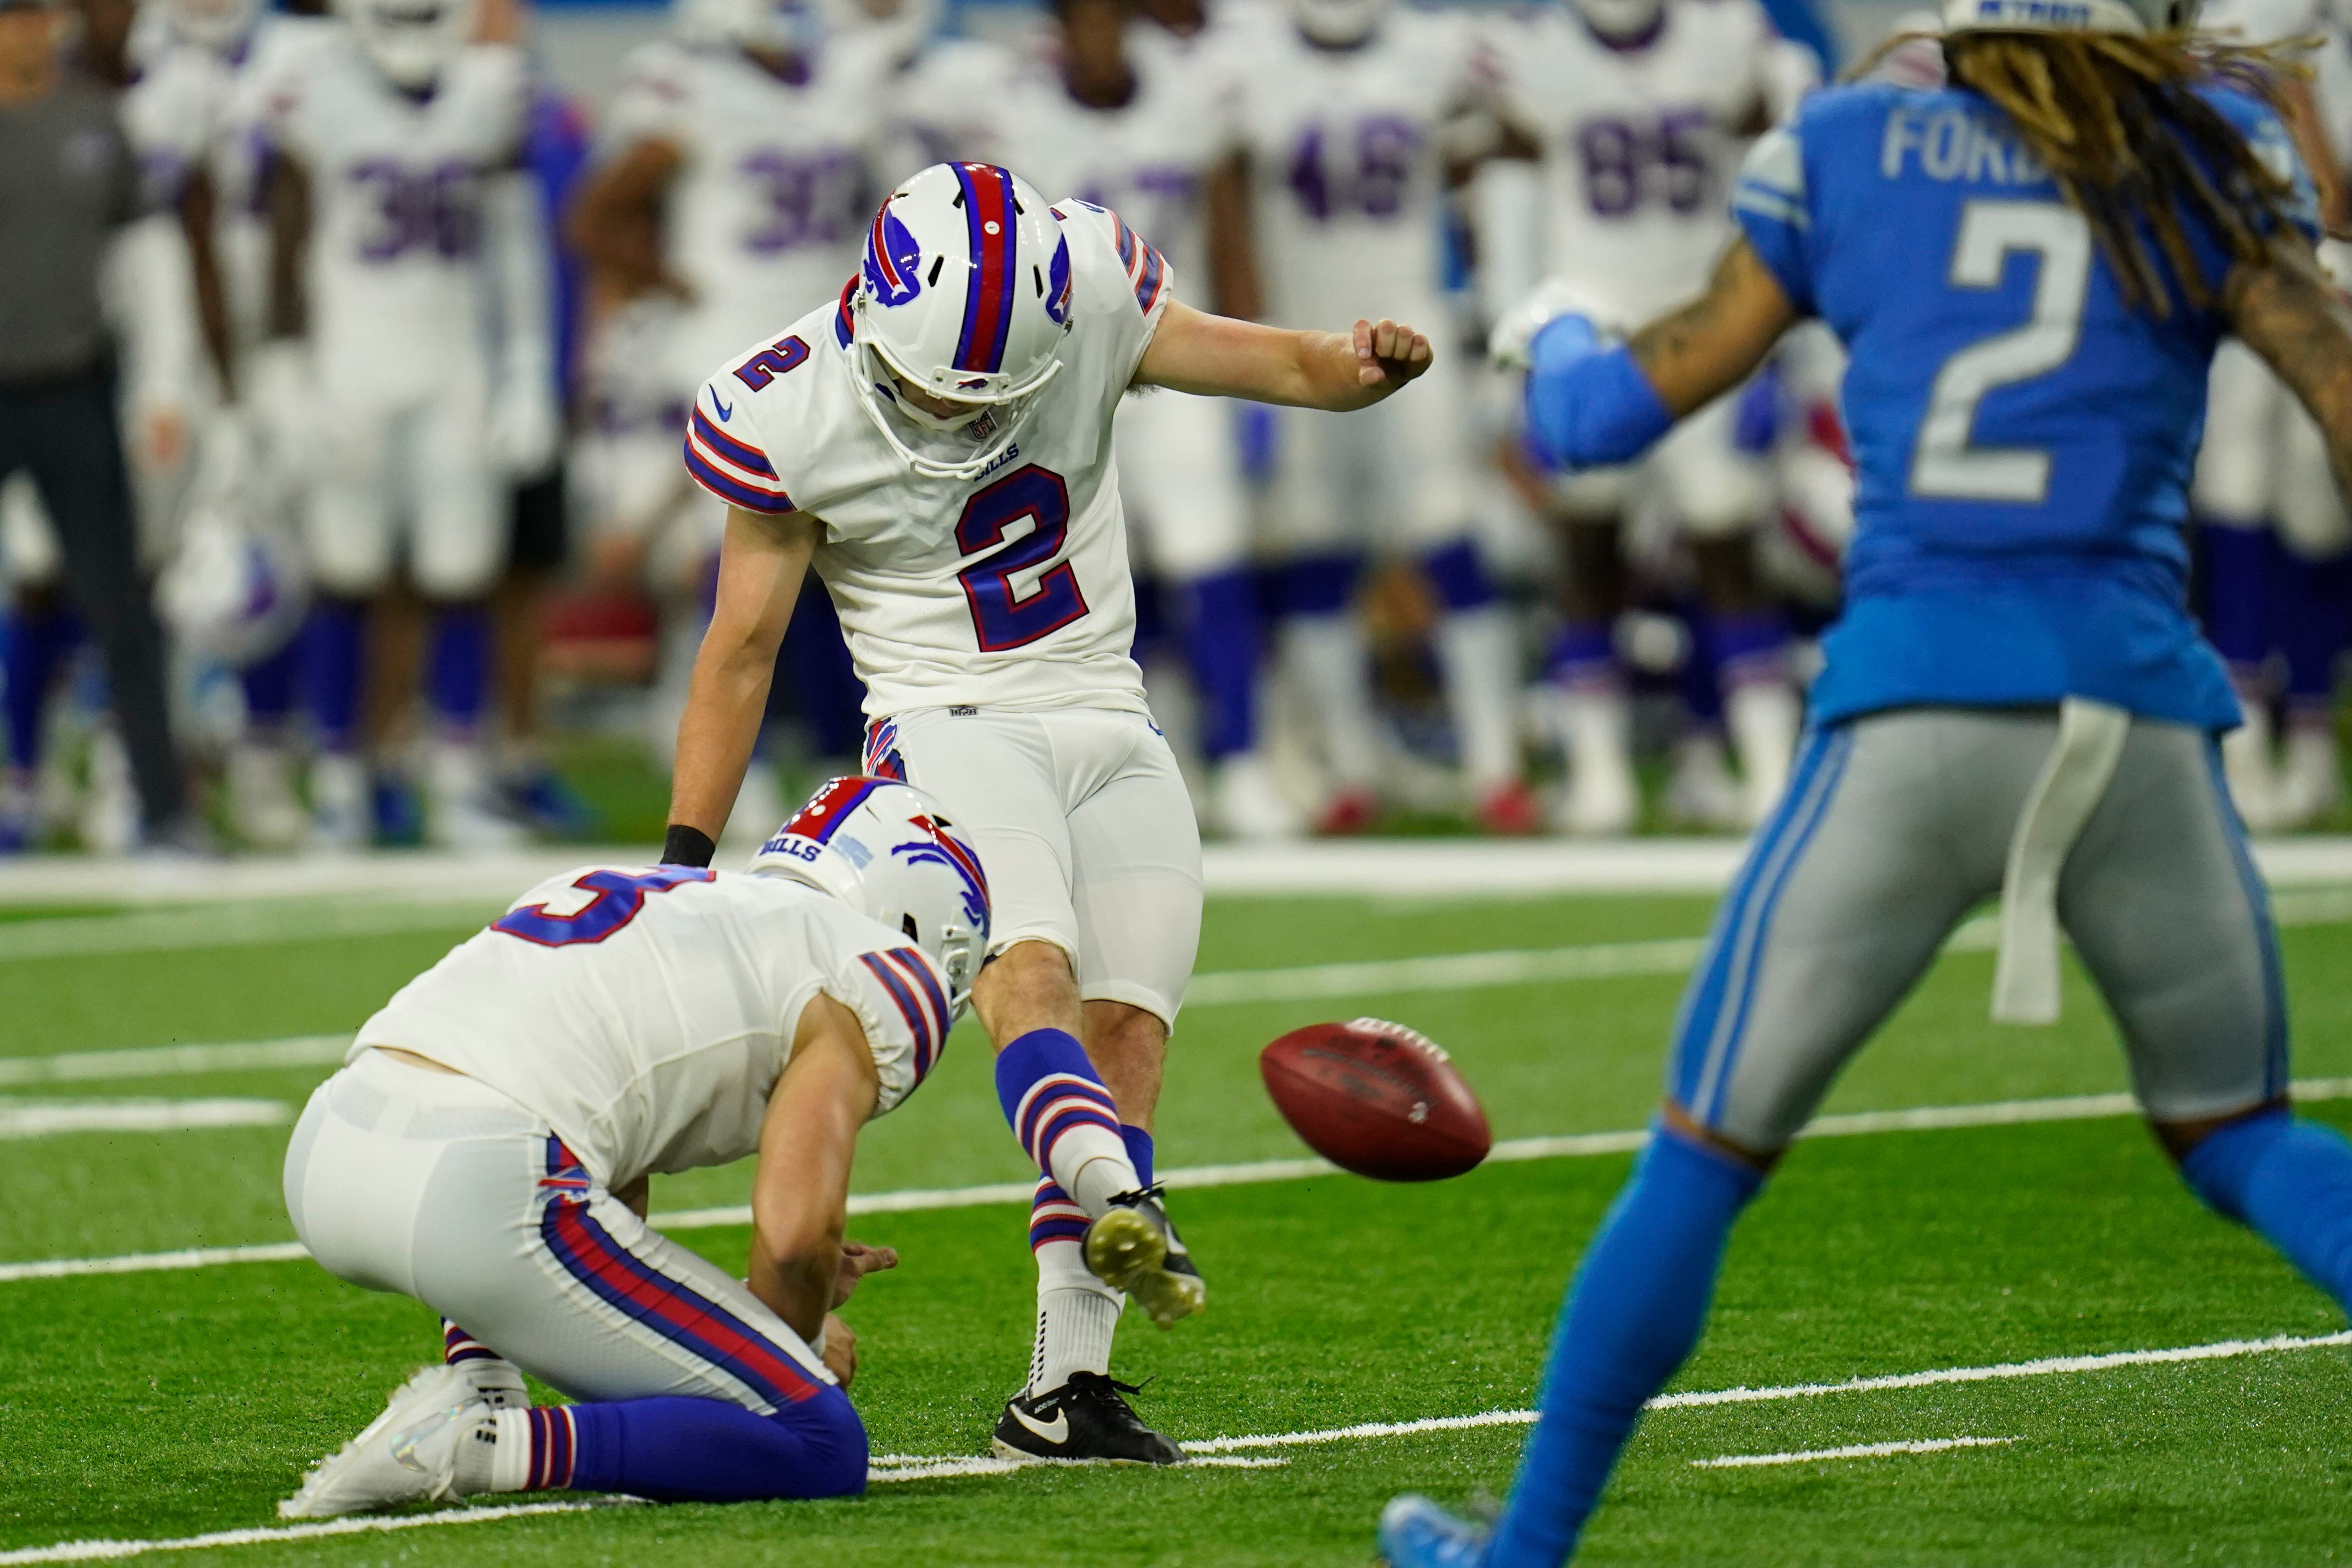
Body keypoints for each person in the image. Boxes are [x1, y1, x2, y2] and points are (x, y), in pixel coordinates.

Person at [1378, 0, 2352, 1559]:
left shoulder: (1843, 147)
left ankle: (1524, 1551)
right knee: (2240, 1136)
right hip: (2135, 705)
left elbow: (1594, 424)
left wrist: (1550, 323)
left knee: (1699, 1161)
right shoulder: (2202, 150)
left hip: (1916, 709)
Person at [661, 160, 1434, 1461]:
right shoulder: (788, 400)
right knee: (1030, 972)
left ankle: (1062, 1391)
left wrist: (1354, 362)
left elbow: (1283, 367)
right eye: (924, 390)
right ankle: (1122, 1197)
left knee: (1128, 1031)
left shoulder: (1086, 290)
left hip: (1106, 707)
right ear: (872, 307)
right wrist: (682, 859)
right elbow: (740, 649)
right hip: (947, 718)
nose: (954, 419)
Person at [277, 775, 985, 1516]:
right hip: (478, 1188)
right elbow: (793, 1241)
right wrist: (796, 1344)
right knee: (818, 1440)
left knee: (557, 1143)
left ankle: (476, 1378)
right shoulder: (877, 971)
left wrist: (751, 1328)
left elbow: (606, 1171)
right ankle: (478, 1445)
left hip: (330, 1148)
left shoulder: (653, 893)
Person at [1477, 0, 1817, 835]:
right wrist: (1516, 349)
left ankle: (1767, 768)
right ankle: (1601, 776)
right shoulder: (1537, 53)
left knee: (1727, 544)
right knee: (1588, 551)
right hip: (1592, 327)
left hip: (1706, 319)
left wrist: (1775, 342)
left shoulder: (1729, 37)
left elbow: (1771, 184)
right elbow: (1508, 209)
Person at [1218, 0, 1539, 836]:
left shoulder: (1434, 49)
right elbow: (1226, 203)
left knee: (1448, 534)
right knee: (1316, 546)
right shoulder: (1247, 52)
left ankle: (1495, 768)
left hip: (1411, 325)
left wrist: (1482, 292)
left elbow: (1494, 158)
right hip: (1302, 333)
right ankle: (1351, 770)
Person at [992, 0, 1301, 841]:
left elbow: (1232, 239)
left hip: (1176, 365)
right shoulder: (1009, 108)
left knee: (1217, 562)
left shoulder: (1188, 90)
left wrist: (1254, 374)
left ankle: (1242, 763)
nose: (1099, 32)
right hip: (1064, 383)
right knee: (1108, 584)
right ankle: (1156, 766)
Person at [259, 0, 556, 849]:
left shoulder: (489, 89)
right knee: (344, 571)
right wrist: (282, 370)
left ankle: (457, 778)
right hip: (350, 364)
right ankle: (339, 780)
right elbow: (283, 233)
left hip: (455, 364)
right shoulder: (311, 84)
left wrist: (527, 368)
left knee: (461, 572)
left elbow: (516, 242)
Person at [0, 0, 200, 853]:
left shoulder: (97, 120)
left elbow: (147, 256)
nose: (27, 29)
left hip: (73, 384)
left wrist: (162, 386)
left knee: (119, 601)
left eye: (38, 12)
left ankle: (165, 811)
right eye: (12, 14)